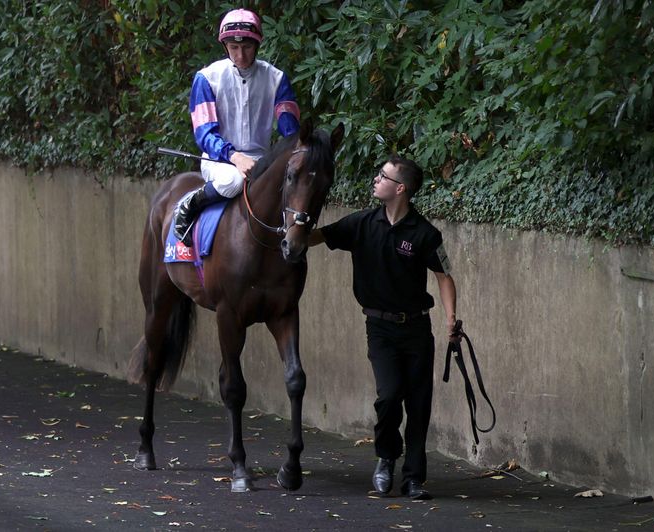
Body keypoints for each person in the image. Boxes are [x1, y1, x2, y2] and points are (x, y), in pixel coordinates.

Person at [308, 156, 458, 500]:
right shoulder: (361, 223)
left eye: (383, 176)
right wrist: (290, 231)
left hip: (417, 329)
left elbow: (444, 276)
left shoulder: (425, 233)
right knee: (389, 396)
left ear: (400, 188)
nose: (376, 180)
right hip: (380, 328)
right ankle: (386, 457)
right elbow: (319, 236)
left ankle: (414, 479)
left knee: (419, 404)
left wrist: (451, 319)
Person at [173, 8, 301, 245]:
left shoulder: (277, 78)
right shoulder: (206, 78)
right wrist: (235, 156)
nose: (240, 55)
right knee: (233, 181)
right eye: (234, 48)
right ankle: (190, 203)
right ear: (225, 47)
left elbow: (290, 130)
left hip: (262, 159)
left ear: (257, 45)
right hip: (219, 161)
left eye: (247, 47)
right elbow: (204, 134)